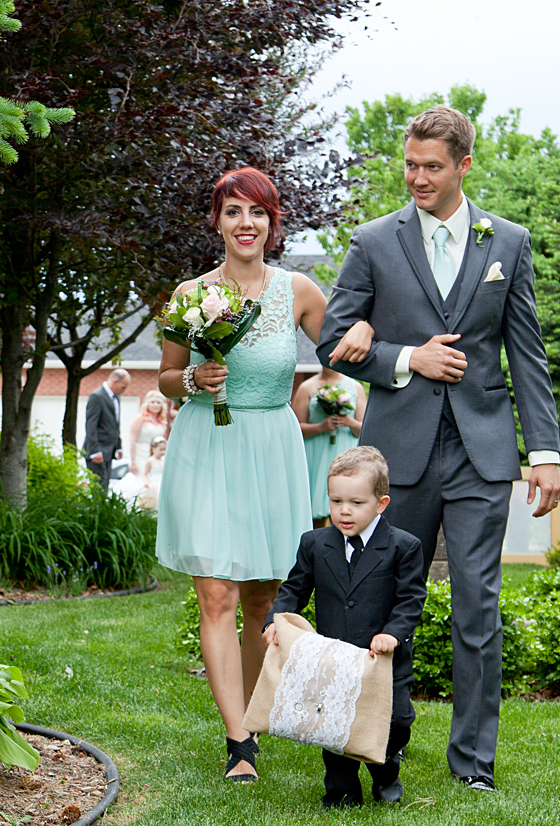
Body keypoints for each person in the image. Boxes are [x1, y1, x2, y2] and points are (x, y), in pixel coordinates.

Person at [317, 106, 560, 792]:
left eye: (431, 166)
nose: (417, 178)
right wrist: (403, 358)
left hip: (482, 454)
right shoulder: (372, 241)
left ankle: (473, 765)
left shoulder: (507, 242)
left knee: (477, 606)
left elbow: (527, 354)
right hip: (397, 456)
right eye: (410, 164)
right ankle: (378, 747)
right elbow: (332, 337)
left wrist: (544, 451)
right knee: (384, 605)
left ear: (463, 166)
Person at [156, 167, 328, 782]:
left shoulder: (299, 291)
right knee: (217, 593)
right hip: (208, 446)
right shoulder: (190, 295)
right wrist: (192, 380)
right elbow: (165, 377)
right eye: (232, 212)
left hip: (272, 447)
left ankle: (257, 717)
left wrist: (366, 330)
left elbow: (341, 351)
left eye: (256, 212)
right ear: (218, 222)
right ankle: (238, 745)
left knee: (262, 596)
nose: (245, 224)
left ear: (272, 221)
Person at [263, 446, 427, 807]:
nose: (344, 511)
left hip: (384, 660)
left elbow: (411, 599)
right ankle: (342, 790)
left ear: (381, 503)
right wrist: (276, 620)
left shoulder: (404, 546)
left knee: (395, 721)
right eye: (336, 501)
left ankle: (386, 772)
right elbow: (294, 588)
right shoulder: (315, 543)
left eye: (356, 502)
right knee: (333, 723)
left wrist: (392, 633)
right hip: (334, 657)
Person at [292, 367, 367, 525]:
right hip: (316, 455)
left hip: (345, 452)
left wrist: (349, 422)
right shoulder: (307, 387)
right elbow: (296, 429)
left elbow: (365, 428)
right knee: (314, 511)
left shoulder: (355, 387)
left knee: (346, 505)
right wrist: (321, 427)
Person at [83, 369, 131, 491]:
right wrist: (95, 451)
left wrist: (118, 446)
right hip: (97, 451)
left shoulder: (116, 398)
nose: (124, 391)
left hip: (109, 451)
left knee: (105, 486)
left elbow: (115, 424)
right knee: (99, 488)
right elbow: (91, 425)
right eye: (123, 387)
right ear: (115, 381)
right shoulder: (97, 396)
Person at [129, 390, 168, 484]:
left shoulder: (161, 421)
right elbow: (132, 439)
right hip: (141, 454)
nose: (155, 405)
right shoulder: (140, 418)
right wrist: (133, 461)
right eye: (153, 402)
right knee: (142, 479)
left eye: (158, 402)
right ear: (148, 403)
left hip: (155, 455)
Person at [139, 435, 166, 511]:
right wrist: (146, 483)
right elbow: (145, 474)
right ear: (153, 449)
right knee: (155, 499)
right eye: (161, 449)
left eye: (164, 450)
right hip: (154, 484)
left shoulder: (164, 460)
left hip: (162, 482)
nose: (163, 452)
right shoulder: (150, 460)